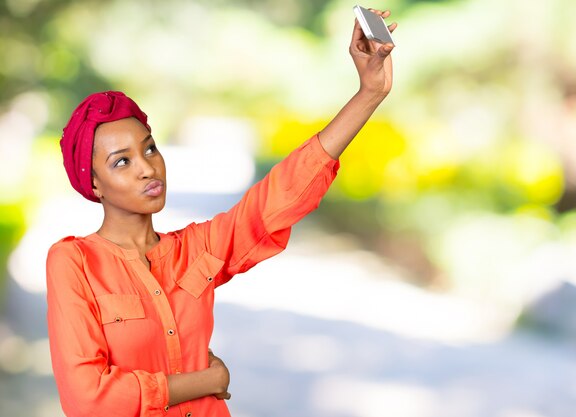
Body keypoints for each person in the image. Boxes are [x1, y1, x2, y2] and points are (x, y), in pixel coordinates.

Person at [46, 9, 397, 417]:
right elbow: (88, 399)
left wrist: (369, 92)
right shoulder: (74, 262)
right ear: (93, 184)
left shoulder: (196, 249)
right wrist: (206, 381)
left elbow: (281, 194)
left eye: (149, 148)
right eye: (121, 162)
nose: (147, 166)